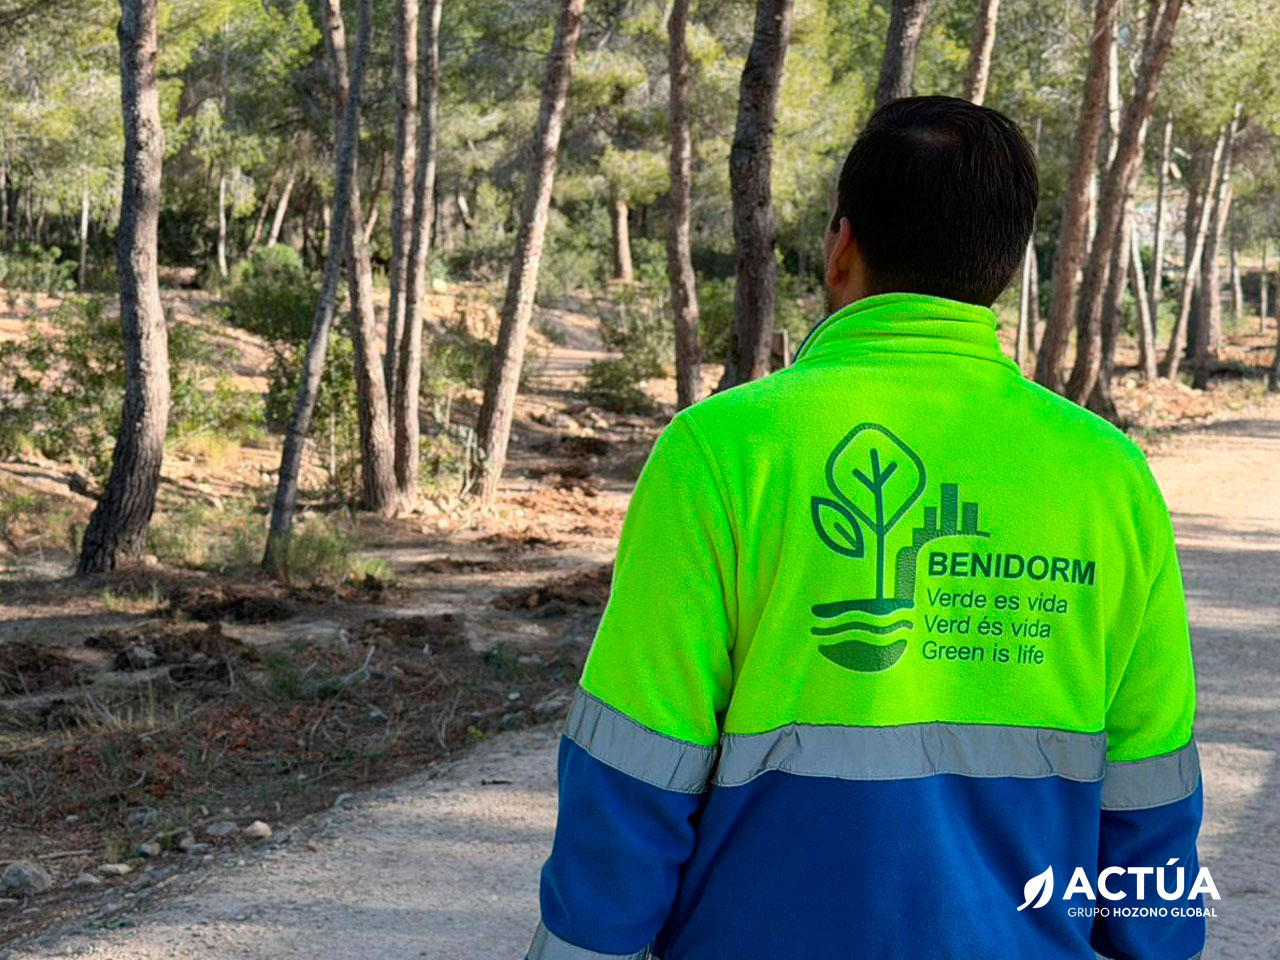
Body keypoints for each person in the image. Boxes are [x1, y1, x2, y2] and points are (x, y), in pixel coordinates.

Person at [525, 96, 1204, 960]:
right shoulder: (1109, 475)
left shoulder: (724, 451)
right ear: (1006, 266)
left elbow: (632, 773)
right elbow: (1151, 785)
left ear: (841, 247)